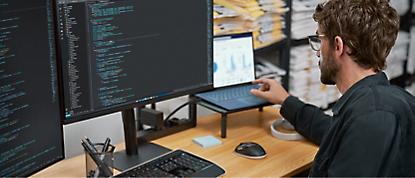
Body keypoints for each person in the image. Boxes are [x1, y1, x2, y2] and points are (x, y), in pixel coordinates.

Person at [251, 0, 415, 176]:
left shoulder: (370, 117)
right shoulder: (385, 102)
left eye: (320, 40)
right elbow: (332, 130)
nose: (318, 51)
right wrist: (285, 101)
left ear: (338, 46)